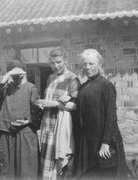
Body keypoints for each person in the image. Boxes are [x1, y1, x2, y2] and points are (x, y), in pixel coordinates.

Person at [74, 49, 127, 178]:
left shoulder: (106, 86)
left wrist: (106, 143)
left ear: (100, 65)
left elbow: (111, 117)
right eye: (85, 64)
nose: (87, 67)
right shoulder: (83, 87)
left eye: (91, 64)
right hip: (87, 142)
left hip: (102, 141)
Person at [37, 47, 80, 180]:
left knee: (60, 160)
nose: (56, 66)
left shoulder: (73, 79)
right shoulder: (50, 78)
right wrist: (42, 104)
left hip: (61, 125)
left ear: (66, 61)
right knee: (46, 158)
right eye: (52, 63)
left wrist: (55, 104)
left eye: (59, 62)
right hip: (47, 124)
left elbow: (76, 106)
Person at [0, 61, 40, 179]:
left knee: (26, 170)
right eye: (13, 72)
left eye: (19, 72)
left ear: (24, 72)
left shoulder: (31, 88)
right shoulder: (7, 87)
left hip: (25, 134)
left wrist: (28, 120)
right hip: (6, 132)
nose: (17, 75)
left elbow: (37, 111)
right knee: (6, 169)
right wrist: (7, 75)